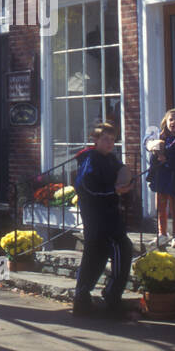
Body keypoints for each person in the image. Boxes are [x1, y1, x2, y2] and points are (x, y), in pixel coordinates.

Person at [72, 122, 135, 318]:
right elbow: (84, 187)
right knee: (120, 248)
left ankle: (84, 299)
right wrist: (113, 190)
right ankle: (109, 297)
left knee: (97, 254)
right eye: (105, 139)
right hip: (98, 216)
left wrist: (125, 176)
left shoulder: (110, 159)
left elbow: (123, 170)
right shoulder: (90, 160)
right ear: (95, 140)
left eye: (113, 140)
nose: (110, 144)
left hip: (109, 214)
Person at [146, 108, 175, 246]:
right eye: (171, 119)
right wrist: (155, 151)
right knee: (161, 207)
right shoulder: (160, 137)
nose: (173, 122)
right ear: (165, 121)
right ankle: (162, 233)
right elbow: (153, 158)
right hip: (162, 177)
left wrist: (166, 158)